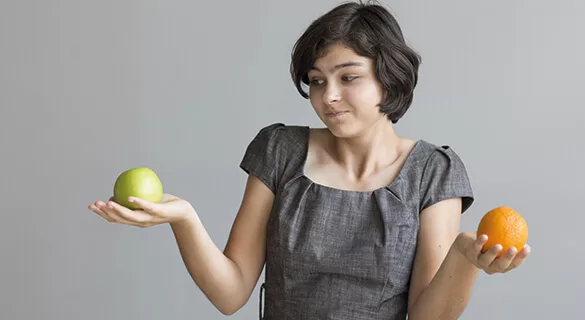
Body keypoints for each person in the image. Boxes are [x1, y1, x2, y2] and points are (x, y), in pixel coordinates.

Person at [88, 1, 531, 319]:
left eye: (349, 77)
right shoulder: (280, 150)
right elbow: (230, 294)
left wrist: (462, 258)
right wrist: (183, 218)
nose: (328, 96)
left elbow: (426, 317)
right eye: (316, 81)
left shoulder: (433, 171)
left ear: (389, 78)